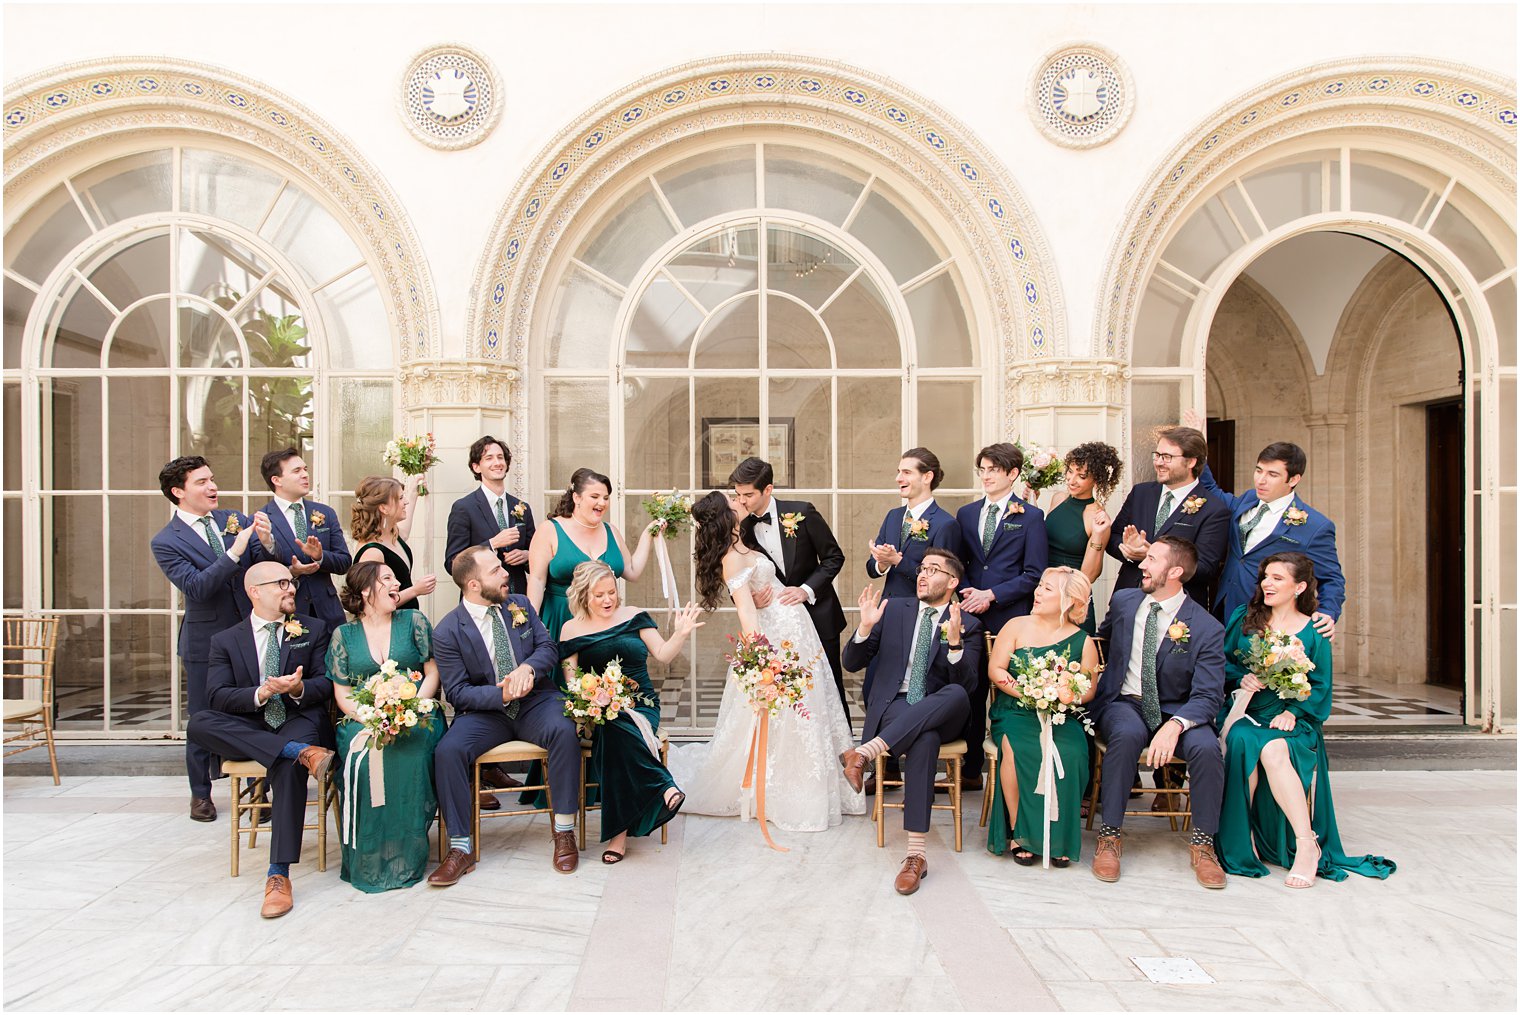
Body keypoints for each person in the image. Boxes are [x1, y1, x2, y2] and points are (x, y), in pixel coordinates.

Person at [665, 492, 865, 832]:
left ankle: (835, 772)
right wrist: (763, 658)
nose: (739, 503)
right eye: (733, 503)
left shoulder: (747, 539)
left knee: (814, 709)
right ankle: (788, 791)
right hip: (776, 641)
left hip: (799, 632)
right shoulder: (731, 558)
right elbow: (745, 610)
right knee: (786, 715)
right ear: (724, 517)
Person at [1216, 553, 1396, 887]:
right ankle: (1243, 843)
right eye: (1266, 577)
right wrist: (1241, 677)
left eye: (1278, 578)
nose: (1267, 584)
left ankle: (1306, 845)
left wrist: (1292, 712)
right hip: (1249, 713)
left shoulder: (1314, 630)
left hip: (1294, 720)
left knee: (1272, 749)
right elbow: (1220, 663)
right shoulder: (1245, 618)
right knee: (1244, 738)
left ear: (1299, 587)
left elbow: (1322, 685)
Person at [186, 561, 335, 918]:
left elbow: (327, 683)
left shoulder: (314, 628)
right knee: (199, 722)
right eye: (282, 583)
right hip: (250, 725)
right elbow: (218, 695)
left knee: (285, 768)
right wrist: (261, 692)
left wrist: (298, 687)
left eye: (292, 583)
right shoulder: (225, 639)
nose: (291, 589)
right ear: (255, 591)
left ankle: (278, 875)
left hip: (297, 718)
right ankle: (301, 753)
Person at [429, 546, 580, 886]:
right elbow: (456, 692)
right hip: (486, 712)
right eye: (495, 570)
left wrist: (527, 668)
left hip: (536, 703)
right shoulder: (447, 630)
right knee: (448, 751)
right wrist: (502, 694)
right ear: (472, 585)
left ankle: (564, 831)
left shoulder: (520, 605)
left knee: (564, 731)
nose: (505, 574)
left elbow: (548, 649)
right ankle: (460, 847)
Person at [839, 548, 982, 895]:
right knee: (925, 739)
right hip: (896, 707)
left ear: (952, 582)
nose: (922, 574)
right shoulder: (894, 610)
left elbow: (968, 686)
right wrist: (864, 627)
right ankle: (916, 856)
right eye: (922, 568)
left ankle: (865, 752)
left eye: (934, 570)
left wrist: (954, 643)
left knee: (955, 695)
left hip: (944, 709)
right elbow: (851, 662)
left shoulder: (969, 623)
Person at [1091, 536, 1228, 888]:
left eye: (1151, 559)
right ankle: (1109, 837)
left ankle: (1204, 844)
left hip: (1181, 710)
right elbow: (1097, 641)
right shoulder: (1124, 602)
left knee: (1207, 748)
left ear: (1176, 572)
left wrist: (1177, 725)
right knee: (1125, 735)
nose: (1142, 565)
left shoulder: (1206, 627)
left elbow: (1210, 695)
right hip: (1126, 703)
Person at [150, 455, 268, 822]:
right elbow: (197, 587)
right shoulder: (166, 541)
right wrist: (235, 550)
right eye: (201, 482)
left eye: (212, 479)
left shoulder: (232, 518)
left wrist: (264, 541)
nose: (212, 487)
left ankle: (257, 792)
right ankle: (200, 793)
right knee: (203, 717)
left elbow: (260, 564)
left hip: (250, 634)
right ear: (178, 492)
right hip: (205, 641)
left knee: (255, 710)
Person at [558, 560, 699, 862]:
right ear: (583, 596)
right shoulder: (571, 629)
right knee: (611, 725)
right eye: (599, 595)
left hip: (641, 704)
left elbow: (662, 654)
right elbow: (572, 683)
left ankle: (618, 837)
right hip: (598, 709)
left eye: (612, 592)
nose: (608, 600)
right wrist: (591, 699)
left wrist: (681, 633)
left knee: (616, 731)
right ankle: (664, 786)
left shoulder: (636, 617)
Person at [326, 560, 446, 892]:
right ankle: (373, 852)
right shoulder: (344, 635)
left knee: (411, 754)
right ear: (365, 590)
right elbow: (343, 692)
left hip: (417, 713)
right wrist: (373, 718)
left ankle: (408, 851)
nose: (397, 585)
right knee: (365, 756)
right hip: (363, 718)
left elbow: (432, 671)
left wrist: (415, 706)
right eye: (388, 579)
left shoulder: (414, 622)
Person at [1181, 422, 1345, 639]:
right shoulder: (1248, 499)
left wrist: (1327, 612)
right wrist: (1197, 445)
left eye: (1272, 474)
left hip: (1268, 622)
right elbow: (1212, 491)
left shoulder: (1315, 526)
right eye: (1259, 470)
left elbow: (1332, 578)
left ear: (1293, 479)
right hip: (1224, 609)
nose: (1261, 480)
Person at [985, 567, 1100, 865]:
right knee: (1019, 749)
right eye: (1039, 586)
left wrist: (1064, 693)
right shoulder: (1016, 626)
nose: (1037, 592)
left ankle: (1059, 837)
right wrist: (1027, 692)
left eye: (1047, 589)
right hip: (1015, 710)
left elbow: (1087, 689)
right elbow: (996, 670)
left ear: (1068, 599)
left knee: (1073, 752)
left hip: (1061, 715)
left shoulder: (1083, 641)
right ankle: (1018, 832)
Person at [954, 442, 1048, 791]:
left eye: (994, 469)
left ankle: (1013, 764)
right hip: (970, 617)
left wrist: (990, 595)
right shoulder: (965, 514)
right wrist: (967, 592)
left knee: (1010, 692)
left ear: (1012, 474)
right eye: (983, 469)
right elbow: (958, 563)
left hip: (1011, 618)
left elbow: (1034, 573)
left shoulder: (1031, 517)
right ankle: (970, 768)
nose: (987, 475)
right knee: (971, 690)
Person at [732, 457, 852, 722]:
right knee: (784, 692)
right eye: (738, 494)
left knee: (830, 689)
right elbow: (735, 575)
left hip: (819, 615)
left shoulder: (803, 513)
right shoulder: (741, 528)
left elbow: (834, 557)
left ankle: (846, 755)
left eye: (748, 495)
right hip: (776, 624)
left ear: (768, 489)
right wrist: (749, 599)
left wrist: (806, 589)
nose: (742, 501)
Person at [527, 467, 661, 641]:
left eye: (606, 498)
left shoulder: (611, 531)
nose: (602, 503)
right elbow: (537, 581)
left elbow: (632, 571)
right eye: (595, 497)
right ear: (577, 498)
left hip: (603, 624)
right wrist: (532, 623)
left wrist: (648, 535)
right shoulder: (549, 529)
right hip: (560, 618)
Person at [1105, 426, 1229, 608]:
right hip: (1129, 599)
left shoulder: (1214, 509)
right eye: (1157, 455)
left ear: (1191, 462)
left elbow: (1204, 568)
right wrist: (1127, 550)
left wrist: (1152, 555)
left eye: (1167, 457)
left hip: (1178, 609)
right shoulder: (1141, 493)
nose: (1159, 462)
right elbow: (1113, 537)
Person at [252, 447, 352, 631]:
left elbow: (344, 562)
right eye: (297, 471)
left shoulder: (325, 513)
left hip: (328, 614)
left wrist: (320, 557)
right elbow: (258, 571)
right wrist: (292, 572)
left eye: (305, 469)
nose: (305, 475)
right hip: (288, 616)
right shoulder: (262, 520)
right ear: (276, 480)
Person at [1042, 442, 1122, 635]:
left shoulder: (1097, 515)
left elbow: (1090, 574)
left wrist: (1098, 533)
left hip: (1072, 597)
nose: (1072, 480)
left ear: (1096, 480)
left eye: (1082, 476)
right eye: (1070, 471)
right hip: (1044, 588)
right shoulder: (1059, 498)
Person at [445, 435, 536, 596]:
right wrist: (493, 544)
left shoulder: (522, 507)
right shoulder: (463, 508)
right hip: (481, 598)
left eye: (501, 457)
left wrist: (527, 556)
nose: (497, 462)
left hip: (519, 598)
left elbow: (535, 554)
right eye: (489, 458)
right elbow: (452, 564)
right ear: (476, 467)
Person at [351, 475, 436, 611]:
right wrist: (416, 590)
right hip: (389, 627)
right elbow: (373, 603)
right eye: (401, 498)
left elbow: (405, 532)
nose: (406, 502)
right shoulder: (372, 552)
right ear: (384, 508)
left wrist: (414, 493)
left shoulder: (392, 533)